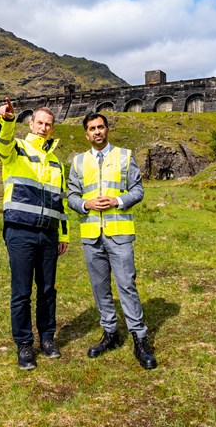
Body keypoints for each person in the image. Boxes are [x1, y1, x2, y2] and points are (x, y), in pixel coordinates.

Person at [66, 112, 157, 370]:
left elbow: (138, 190)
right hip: (92, 236)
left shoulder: (125, 156)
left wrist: (117, 201)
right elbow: (71, 195)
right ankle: (110, 334)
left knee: (126, 285)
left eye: (101, 127)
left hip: (119, 235)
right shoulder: (78, 162)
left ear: (107, 130)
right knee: (100, 288)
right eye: (92, 128)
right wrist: (86, 203)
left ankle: (139, 338)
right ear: (86, 133)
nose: (97, 131)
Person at [0, 98, 69, 370]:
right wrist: (6, 121)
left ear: (52, 128)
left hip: (48, 234)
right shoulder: (17, 150)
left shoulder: (56, 163)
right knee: (22, 291)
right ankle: (24, 344)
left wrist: (63, 234)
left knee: (48, 290)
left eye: (48, 124)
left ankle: (47, 338)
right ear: (31, 123)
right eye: (39, 122)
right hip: (20, 231)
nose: (43, 128)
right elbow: (1, 142)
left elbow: (59, 200)